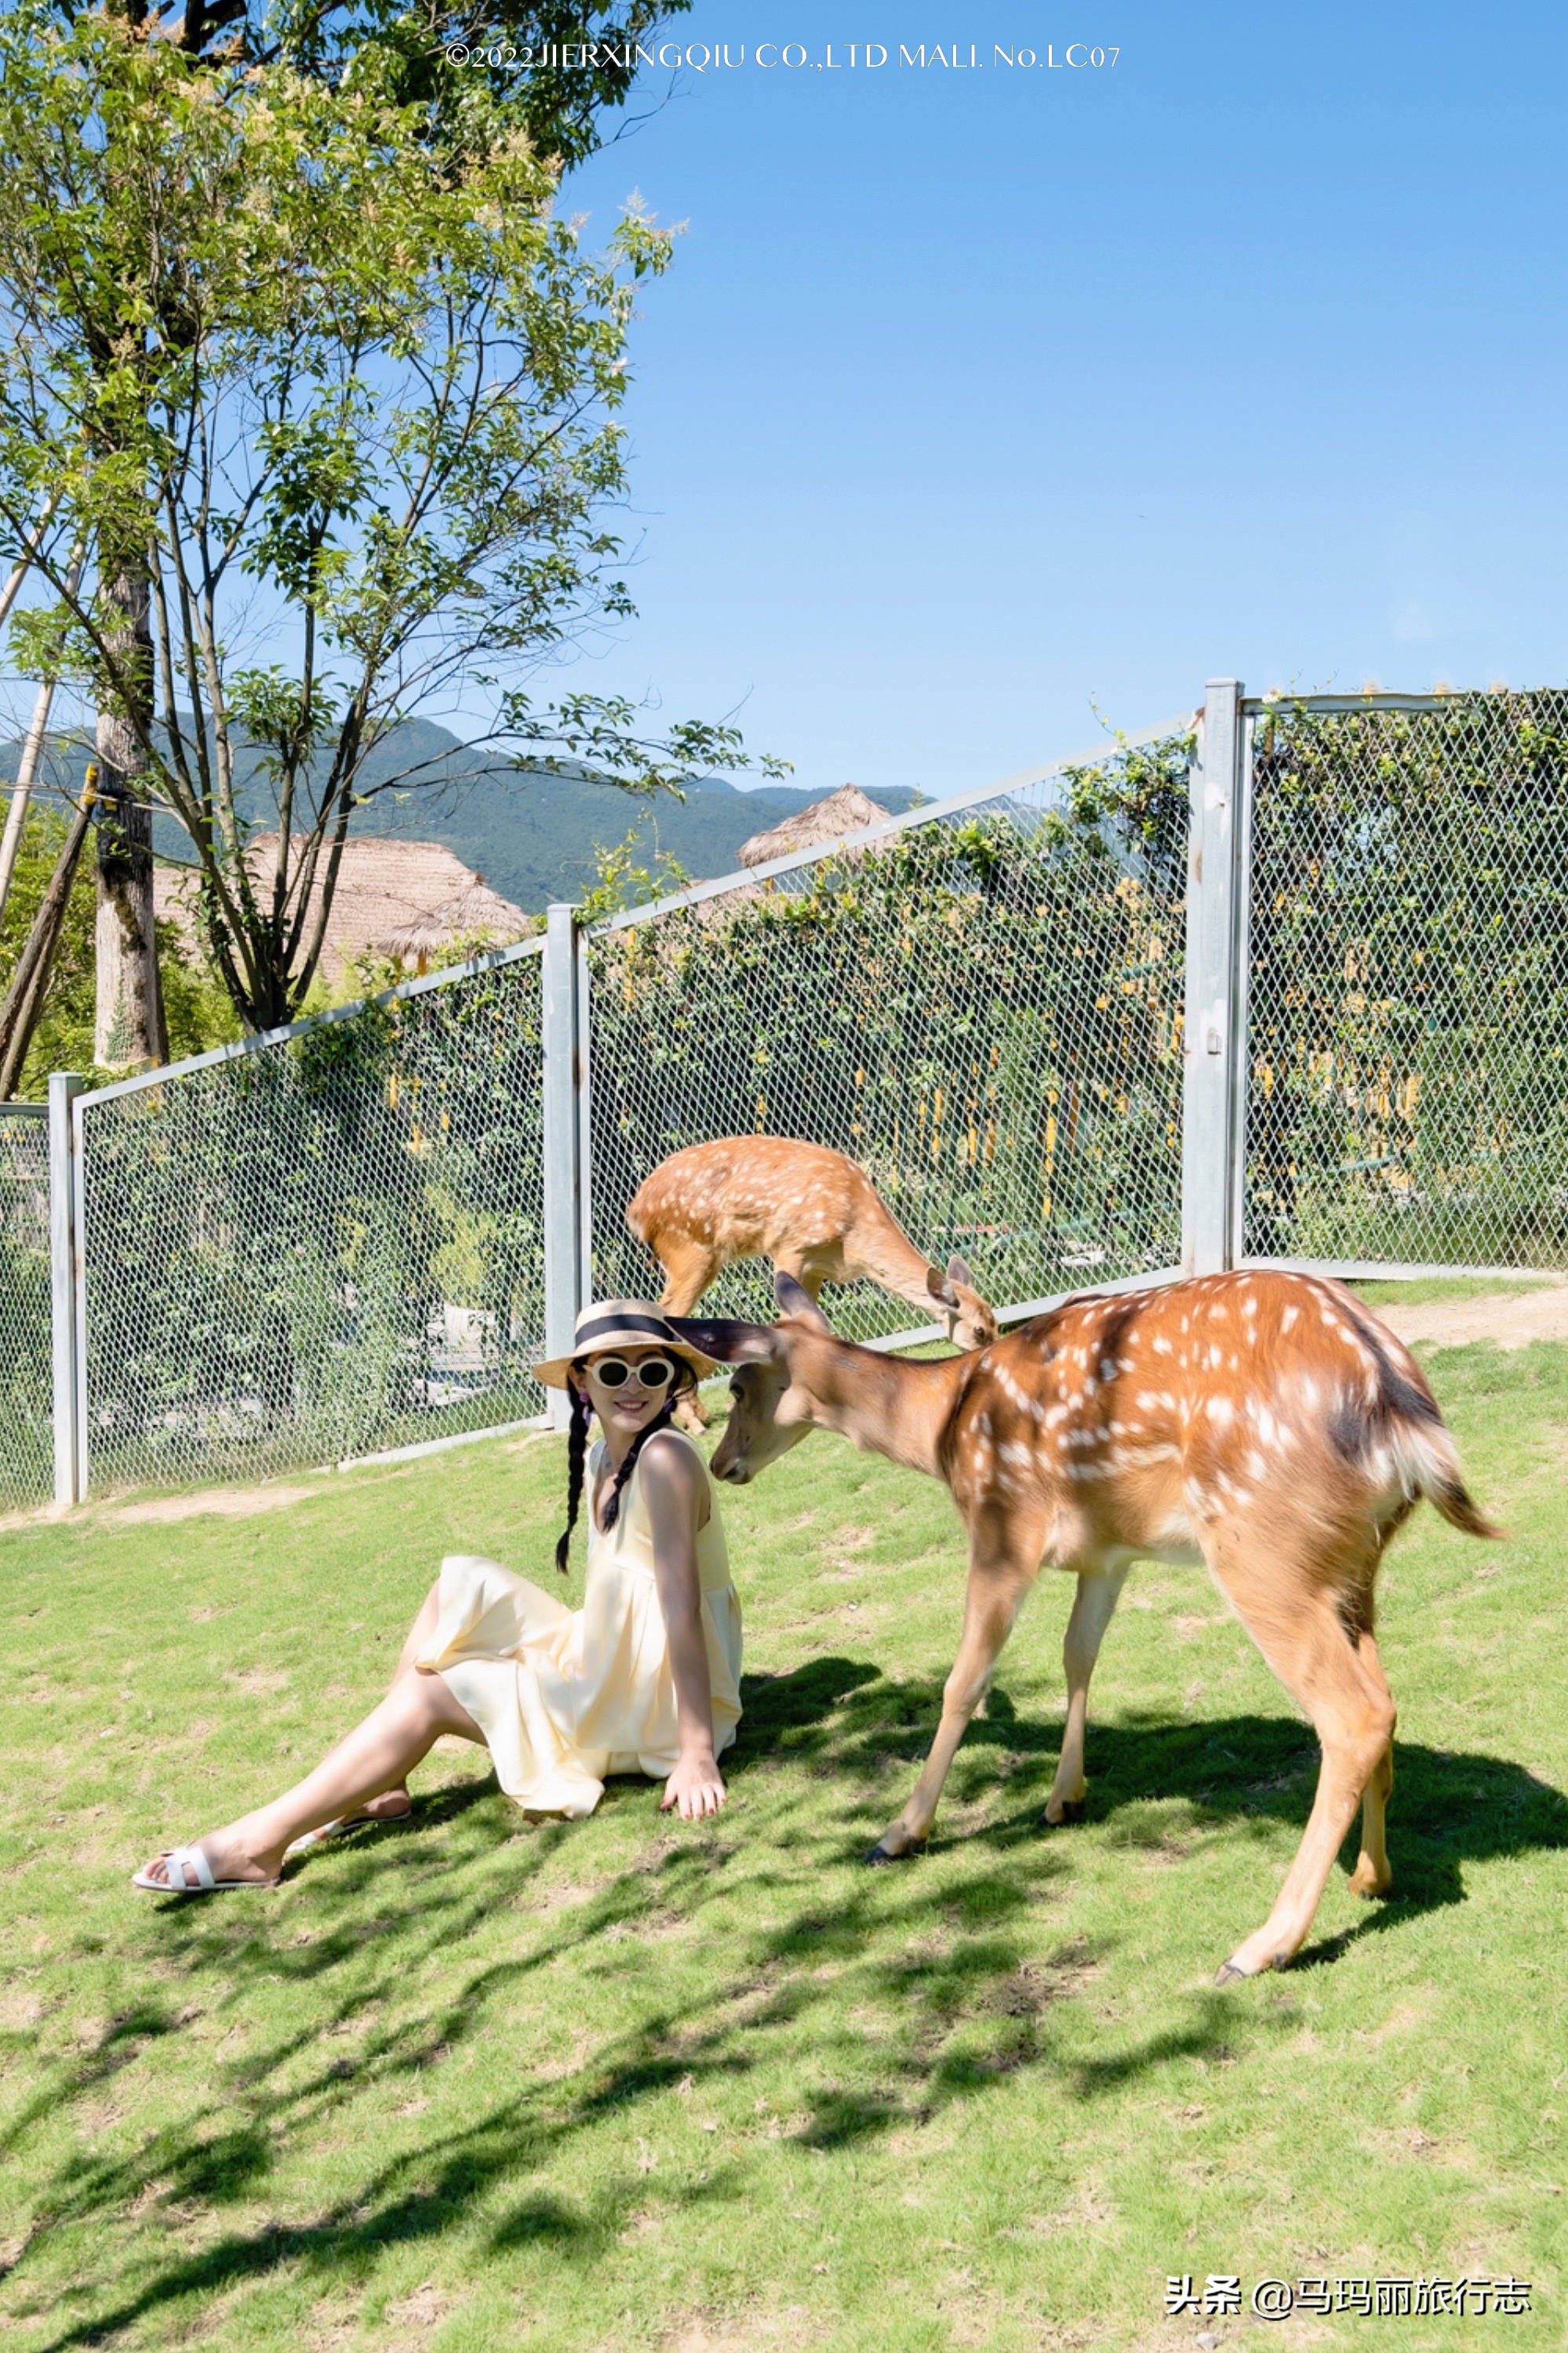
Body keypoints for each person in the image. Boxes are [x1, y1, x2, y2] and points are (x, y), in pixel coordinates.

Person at [133, 1304, 742, 1893]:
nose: (633, 1385)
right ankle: (383, 1785)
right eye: (613, 1370)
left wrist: (694, 1754)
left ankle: (256, 1846)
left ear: (674, 1379)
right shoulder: (603, 1454)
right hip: (611, 1654)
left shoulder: (663, 1459)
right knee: (458, 1581)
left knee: (431, 1691)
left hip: (649, 1700)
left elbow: (679, 1608)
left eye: (652, 1370)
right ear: (582, 1382)